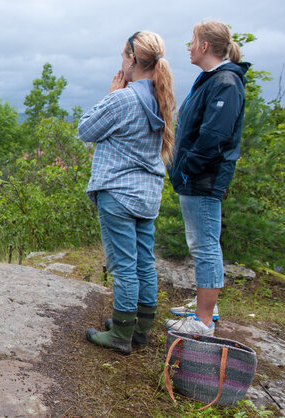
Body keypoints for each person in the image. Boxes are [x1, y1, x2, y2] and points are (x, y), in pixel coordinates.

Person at [79, 31, 175, 354]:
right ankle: (140, 328)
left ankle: (120, 335)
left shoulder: (124, 98)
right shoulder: (161, 99)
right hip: (147, 196)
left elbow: (85, 129)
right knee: (144, 263)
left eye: (123, 55)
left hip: (118, 193)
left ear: (132, 59)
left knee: (123, 266)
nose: (121, 61)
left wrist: (111, 94)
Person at [165, 20, 249, 336]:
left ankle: (201, 321)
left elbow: (214, 134)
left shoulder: (225, 82)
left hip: (203, 177)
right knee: (202, 243)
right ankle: (206, 308)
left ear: (203, 46)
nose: (188, 46)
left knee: (204, 246)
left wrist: (187, 167)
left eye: (192, 41)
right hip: (197, 176)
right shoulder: (213, 79)